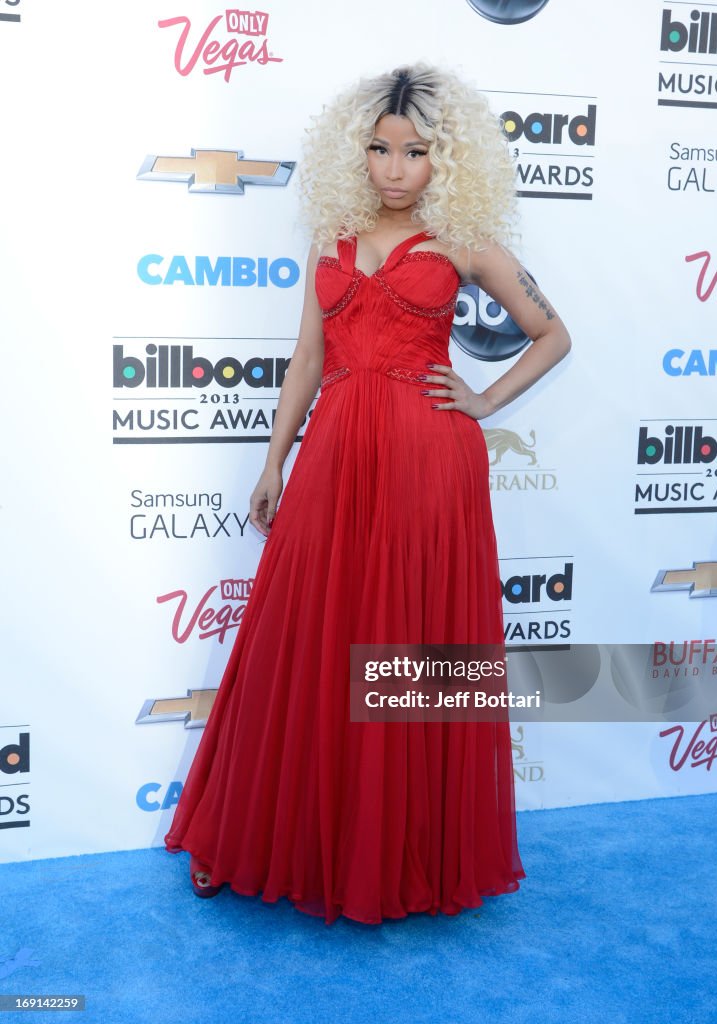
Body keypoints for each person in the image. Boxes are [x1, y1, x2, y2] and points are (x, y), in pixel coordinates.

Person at [164, 62, 571, 925]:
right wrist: (275, 462)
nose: (394, 169)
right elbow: (306, 362)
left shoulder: (463, 239)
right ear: (358, 154)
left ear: (444, 159)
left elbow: (552, 332)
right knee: (295, 644)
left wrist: (486, 400)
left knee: (408, 644)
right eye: (380, 150)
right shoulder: (332, 235)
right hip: (335, 455)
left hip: (429, 460)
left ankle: (402, 854)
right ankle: (248, 839)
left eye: (415, 152)